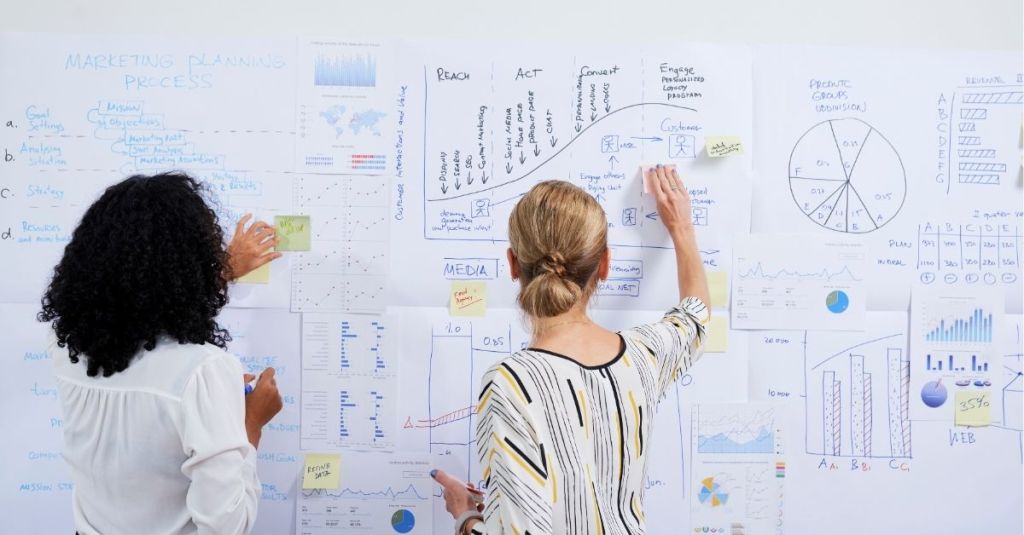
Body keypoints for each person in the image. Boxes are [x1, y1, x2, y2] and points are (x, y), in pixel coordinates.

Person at [432, 165, 710, 534]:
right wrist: (681, 228)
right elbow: (696, 317)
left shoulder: (510, 384)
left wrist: (465, 516)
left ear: (513, 264)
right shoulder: (643, 356)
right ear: (606, 264)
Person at [38, 172, 285, 535]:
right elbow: (226, 526)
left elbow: (133, 303)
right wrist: (250, 424)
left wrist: (217, 275)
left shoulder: (66, 344)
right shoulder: (203, 371)